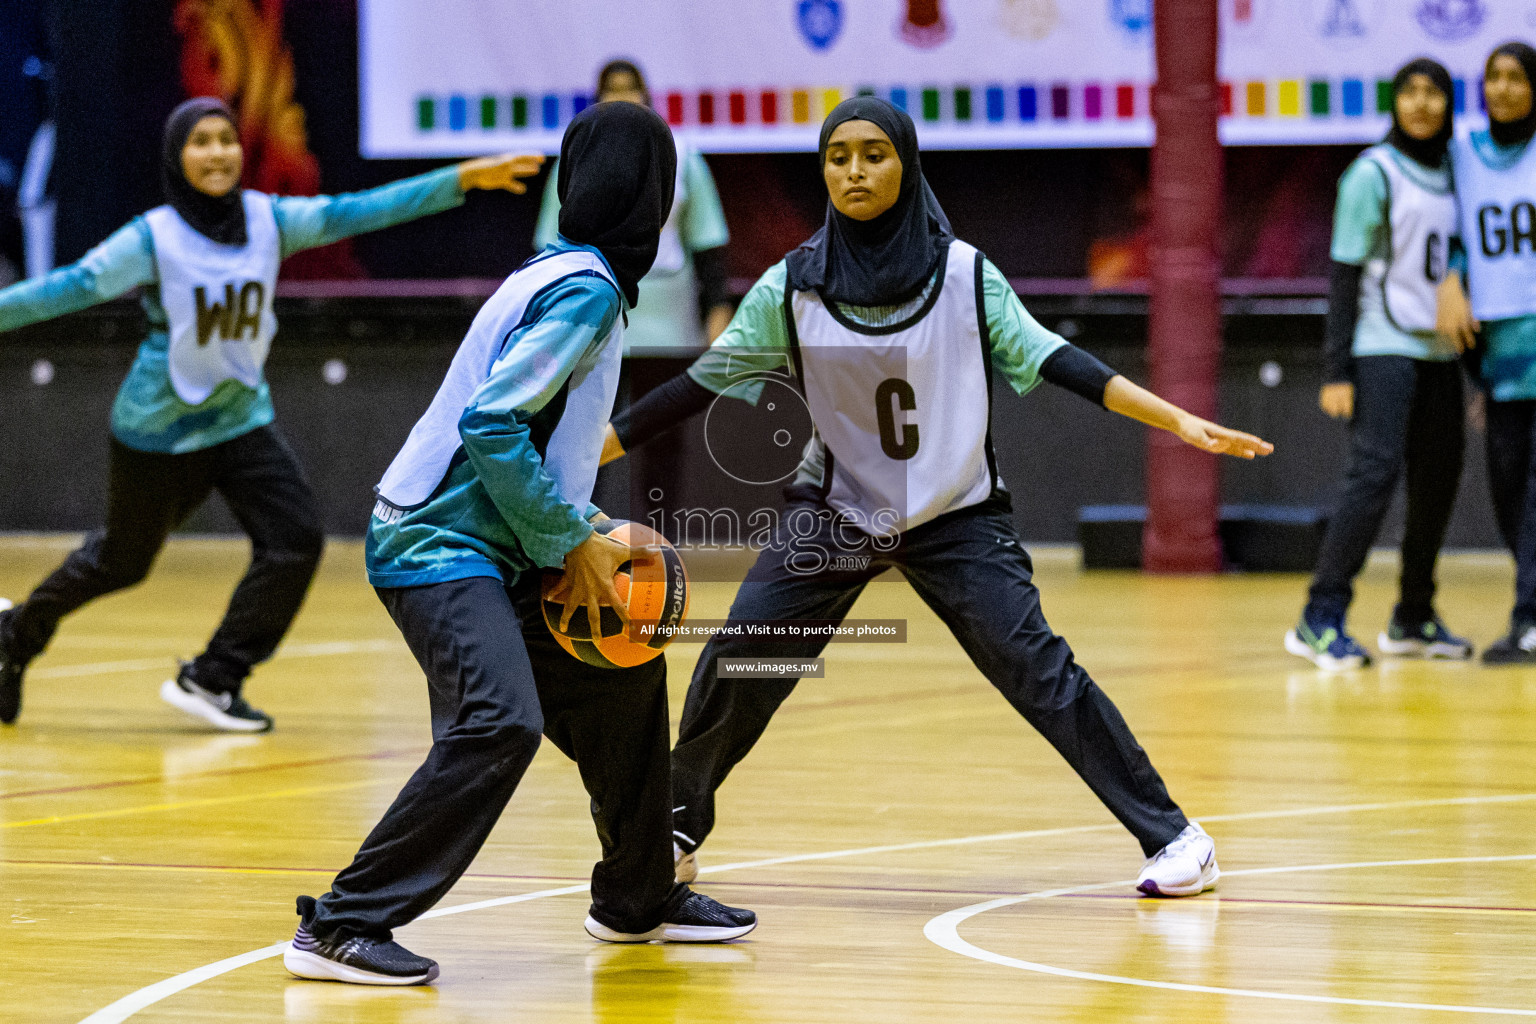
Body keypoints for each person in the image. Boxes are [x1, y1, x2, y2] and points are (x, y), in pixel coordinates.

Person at [602, 97, 1272, 898]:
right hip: (839, 512)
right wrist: (586, 452)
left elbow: (1060, 360)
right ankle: (673, 825)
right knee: (746, 653)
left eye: (874, 154)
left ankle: (1176, 837)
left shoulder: (965, 276)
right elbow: (694, 386)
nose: (854, 170)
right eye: (838, 156)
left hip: (956, 516)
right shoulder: (792, 286)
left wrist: (1177, 421)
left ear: (907, 165)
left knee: (1036, 671)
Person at [283, 102, 756, 988]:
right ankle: (343, 923)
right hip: (436, 545)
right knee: (500, 721)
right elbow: (493, 425)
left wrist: (576, 531)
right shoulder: (584, 289)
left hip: (492, 545)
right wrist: (572, 538)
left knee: (625, 675)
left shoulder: (566, 273)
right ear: (655, 198)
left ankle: (638, 896)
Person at [0, 98, 543, 732]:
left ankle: (214, 677)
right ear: (178, 157)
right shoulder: (152, 237)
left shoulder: (269, 219)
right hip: (158, 432)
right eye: (199, 141)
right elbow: (66, 288)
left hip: (240, 423)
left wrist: (460, 180)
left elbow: (357, 213)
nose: (217, 152)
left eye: (226, 139)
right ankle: (15, 638)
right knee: (122, 563)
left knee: (294, 540)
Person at [1284, 58, 1473, 671]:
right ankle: (1320, 618)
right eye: (1409, 92)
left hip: (1440, 350)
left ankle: (1412, 615)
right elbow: (1343, 276)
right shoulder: (1373, 172)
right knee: (1372, 479)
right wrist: (1336, 370)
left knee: (1438, 484)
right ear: (1395, 103)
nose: (1421, 104)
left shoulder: (1454, 171)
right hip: (1381, 345)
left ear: (1449, 104)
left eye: (1433, 93)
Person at [1439, 42, 1536, 664]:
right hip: (1499, 356)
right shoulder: (1463, 154)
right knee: (1508, 491)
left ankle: (1528, 619)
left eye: (1516, 77)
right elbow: (1449, 230)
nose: (1502, 88)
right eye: (1493, 77)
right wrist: (1451, 277)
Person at [534, 59, 733, 352]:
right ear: (597, 98)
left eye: (630, 89)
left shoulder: (684, 158)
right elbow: (548, 259)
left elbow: (710, 258)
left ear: (646, 95)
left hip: (671, 325)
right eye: (612, 90)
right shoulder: (574, 159)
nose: (622, 98)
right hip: (592, 323)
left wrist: (719, 335)